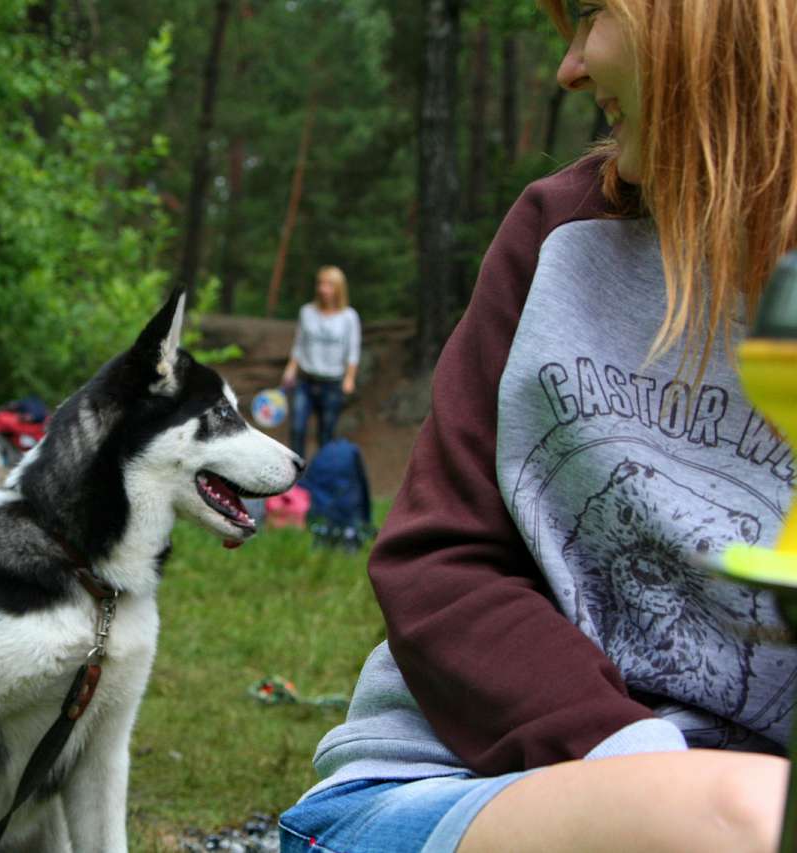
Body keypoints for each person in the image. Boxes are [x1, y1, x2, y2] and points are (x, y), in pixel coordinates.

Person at [279, 0, 797, 850]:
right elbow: (436, 559)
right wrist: (641, 764)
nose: (572, 67)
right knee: (748, 823)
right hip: (455, 788)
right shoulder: (558, 235)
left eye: (595, 12)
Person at [281, 266, 361, 457]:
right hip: (306, 380)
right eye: (320, 283)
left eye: (329, 284)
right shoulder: (307, 312)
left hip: (332, 383)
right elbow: (299, 344)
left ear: (339, 289)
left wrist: (349, 378)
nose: (323, 289)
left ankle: (322, 476)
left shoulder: (349, 317)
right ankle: (295, 478)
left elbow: (353, 350)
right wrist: (290, 369)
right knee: (297, 429)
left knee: (326, 434)